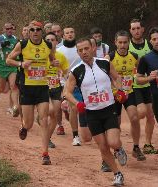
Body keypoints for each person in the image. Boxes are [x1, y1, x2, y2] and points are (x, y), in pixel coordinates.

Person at [64, 38, 127, 186]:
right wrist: (77, 103)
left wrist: (119, 90)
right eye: (80, 50)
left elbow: (117, 78)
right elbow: (67, 93)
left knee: (113, 142)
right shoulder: (76, 71)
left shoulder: (104, 63)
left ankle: (119, 149)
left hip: (109, 108)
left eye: (86, 49)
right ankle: (117, 174)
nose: (84, 52)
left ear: (92, 48)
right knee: (103, 147)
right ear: (78, 52)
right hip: (92, 113)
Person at [6, 20, 57, 165]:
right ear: (29, 32)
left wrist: (54, 63)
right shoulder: (22, 45)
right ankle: (24, 126)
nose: (35, 32)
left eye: (38, 30)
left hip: (42, 87)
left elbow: (51, 58)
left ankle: (45, 154)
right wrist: (21, 64)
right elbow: (8, 59)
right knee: (28, 124)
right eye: (32, 30)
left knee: (44, 120)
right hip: (27, 88)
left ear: (42, 31)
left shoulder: (48, 45)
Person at [105, 30, 146, 162]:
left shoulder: (134, 56)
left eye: (125, 42)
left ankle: (135, 147)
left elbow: (139, 72)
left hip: (129, 92)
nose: (123, 45)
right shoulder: (109, 58)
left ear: (129, 43)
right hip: (114, 95)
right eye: (120, 42)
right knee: (115, 124)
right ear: (115, 43)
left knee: (134, 117)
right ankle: (116, 149)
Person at [137, 26, 158, 172]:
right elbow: (138, 80)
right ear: (150, 41)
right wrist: (149, 78)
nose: (157, 41)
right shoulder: (146, 59)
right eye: (154, 39)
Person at [129, 18, 158, 154]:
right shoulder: (126, 46)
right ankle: (135, 137)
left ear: (142, 29)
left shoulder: (150, 45)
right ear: (130, 31)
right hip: (134, 86)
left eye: (138, 28)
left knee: (151, 115)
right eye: (133, 29)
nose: (136, 31)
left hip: (149, 84)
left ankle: (147, 144)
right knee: (140, 113)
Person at [58, 26, 82, 146]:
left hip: (82, 83)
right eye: (67, 33)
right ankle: (75, 136)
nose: (70, 34)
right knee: (74, 108)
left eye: (72, 32)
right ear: (63, 36)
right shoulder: (59, 50)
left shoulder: (80, 48)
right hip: (66, 83)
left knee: (83, 108)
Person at [44, 32, 69, 148]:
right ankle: (40, 119)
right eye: (47, 39)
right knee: (48, 111)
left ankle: (47, 138)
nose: (50, 41)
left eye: (52, 39)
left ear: (57, 42)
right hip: (42, 87)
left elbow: (67, 74)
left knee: (55, 113)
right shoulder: (41, 55)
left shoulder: (61, 56)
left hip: (56, 87)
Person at [0, 23, 19, 117]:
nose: (9, 30)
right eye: (7, 29)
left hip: (12, 66)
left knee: (13, 86)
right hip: (2, 66)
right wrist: (1, 45)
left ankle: (15, 107)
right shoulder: (0, 37)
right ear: (4, 29)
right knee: (3, 88)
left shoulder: (15, 39)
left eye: (11, 28)